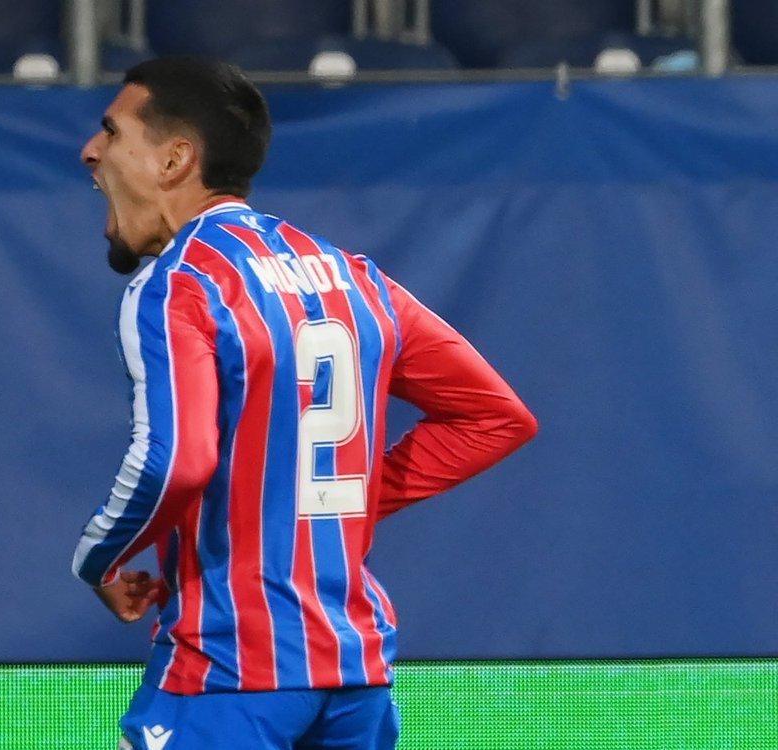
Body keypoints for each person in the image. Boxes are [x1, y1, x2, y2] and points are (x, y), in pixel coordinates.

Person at [71, 57, 538, 750]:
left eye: (112, 131)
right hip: (355, 674)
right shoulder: (355, 278)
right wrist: (328, 501)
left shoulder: (179, 284)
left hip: (229, 670)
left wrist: (98, 557)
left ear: (174, 159)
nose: (91, 150)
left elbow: (178, 461)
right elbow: (494, 417)